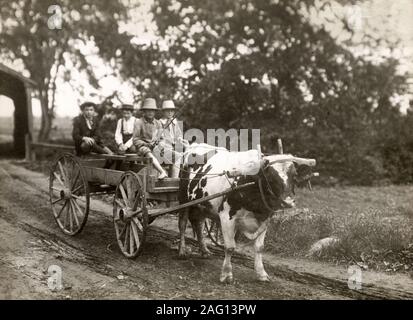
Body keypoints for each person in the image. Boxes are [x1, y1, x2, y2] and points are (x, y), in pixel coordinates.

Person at [132, 98, 168, 179]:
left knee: (175, 155)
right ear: (144, 111)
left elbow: (162, 138)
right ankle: (162, 172)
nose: (150, 112)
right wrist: (146, 144)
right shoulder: (139, 123)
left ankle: (174, 179)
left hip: (156, 147)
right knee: (147, 151)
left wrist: (160, 144)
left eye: (152, 110)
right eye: (148, 110)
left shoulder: (158, 123)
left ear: (155, 112)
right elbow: (135, 140)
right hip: (142, 149)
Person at [159, 100, 185, 178]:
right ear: (163, 112)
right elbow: (160, 139)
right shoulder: (159, 123)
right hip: (163, 149)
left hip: (173, 148)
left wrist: (180, 139)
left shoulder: (175, 122)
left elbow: (178, 135)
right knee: (177, 156)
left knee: (188, 153)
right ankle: (174, 179)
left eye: (172, 111)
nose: (170, 113)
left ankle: (183, 177)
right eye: (168, 111)